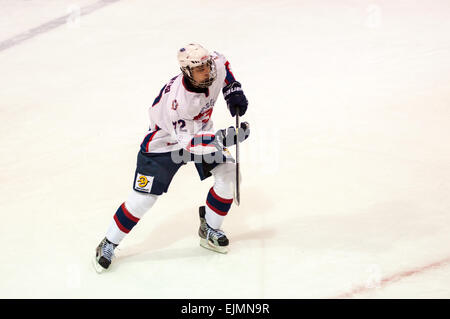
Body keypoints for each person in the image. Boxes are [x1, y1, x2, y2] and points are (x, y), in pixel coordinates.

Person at [93, 43, 250, 273]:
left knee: (228, 175)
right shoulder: (179, 103)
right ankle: (109, 242)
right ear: (187, 72)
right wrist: (226, 138)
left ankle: (209, 229)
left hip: (201, 133)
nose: (207, 71)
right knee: (142, 200)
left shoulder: (212, 64)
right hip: (165, 144)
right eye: (200, 70)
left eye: (207, 66)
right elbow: (191, 144)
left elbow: (223, 63)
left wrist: (232, 89)